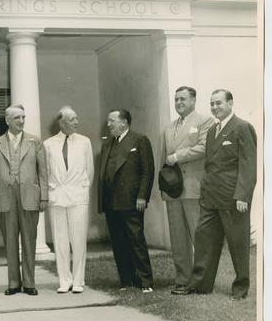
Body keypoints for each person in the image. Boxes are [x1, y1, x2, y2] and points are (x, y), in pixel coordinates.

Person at [172, 90, 257, 300]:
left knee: (238, 244)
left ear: (230, 102)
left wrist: (243, 196)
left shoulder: (242, 127)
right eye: (211, 104)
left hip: (232, 198)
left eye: (219, 103)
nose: (215, 107)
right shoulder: (212, 131)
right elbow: (210, 166)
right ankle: (200, 285)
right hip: (210, 197)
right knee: (204, 240)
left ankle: (240, 288)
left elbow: (248, 166)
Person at [0, 104, 48, 296]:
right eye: (17, 118)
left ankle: (29, 283)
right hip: (5, 197)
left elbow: (43, 172)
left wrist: (44, 197)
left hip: (30, 196)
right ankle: (14, 283)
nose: (21, 121)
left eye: (23, 117)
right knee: (10, 241)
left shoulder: (35, 142)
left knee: (30, 240)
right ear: (7, 121)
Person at [161, 86, 214, 293]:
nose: (179, 103)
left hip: (193, 187)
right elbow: (163, 158)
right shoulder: (168, 127)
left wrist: (178, 156)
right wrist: (162, 185)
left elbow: (204, 147)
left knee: (198, 235)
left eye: (183, 99)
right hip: (172, 191)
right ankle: (183, 279)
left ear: (193, 100)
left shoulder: (204, 121)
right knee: (178, 238)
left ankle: (202, 281)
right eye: (176, 99)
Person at [98, 109, 155, 292]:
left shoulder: (139, 140)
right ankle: (126, 280)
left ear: (124, 123)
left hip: (131, 201)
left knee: (136, 240)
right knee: (118, 241)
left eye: (112, 121)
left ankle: (146, 281)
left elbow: (147, 172)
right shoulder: (108, 144)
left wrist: (142, 197)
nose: (108, 125)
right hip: (111, 202)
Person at [44, 106, 94, 294]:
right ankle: (65, 280)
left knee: (78, 239)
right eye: (72, 119)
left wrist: (83, 191)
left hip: (78, 197)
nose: (77, 122)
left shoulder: (84, 142)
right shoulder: (49, 144)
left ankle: (78, 280)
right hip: (57, 197)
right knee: (60, 240)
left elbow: (89, 170)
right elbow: (47, 172)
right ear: (62, 122)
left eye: (77, 118)